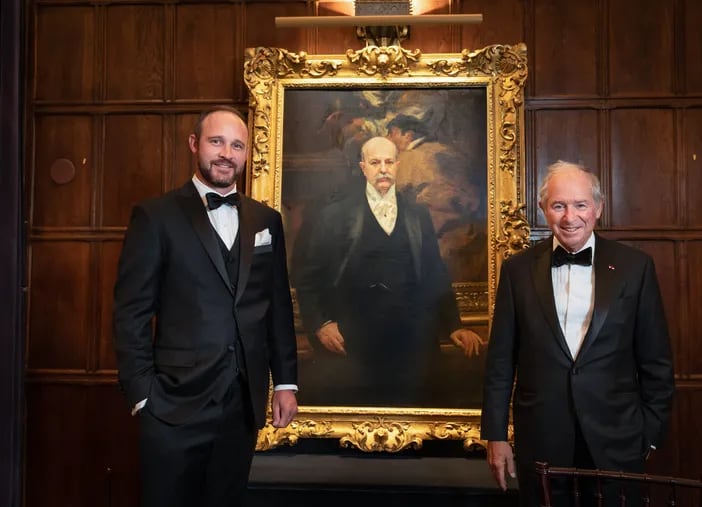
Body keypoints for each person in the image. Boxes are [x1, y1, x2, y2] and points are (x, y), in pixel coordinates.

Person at [112, 106, 299, 507]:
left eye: (237, 145)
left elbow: (277, 306)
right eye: (217, 141)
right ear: (195, 144)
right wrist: (143, 393)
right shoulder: (156, 216)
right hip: (172, 403)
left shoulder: (267, 220)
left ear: (247, 154)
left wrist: (285, 382)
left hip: (241, 404)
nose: (226, 153)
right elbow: (131, 311)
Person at [480, 161, 675, 507]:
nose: (570, 217)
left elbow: (656, 360)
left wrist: (649, 434)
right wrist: (496, 436)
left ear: (598, 208)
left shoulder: (635, 267)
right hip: (540, 440)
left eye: (580, 205)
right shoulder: (517, 271)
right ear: (543, 209)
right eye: (559, 206)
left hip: (618, 439)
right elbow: (500, 362)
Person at [293, 136, 483, 407]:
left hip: (412, 340)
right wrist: (321, 324)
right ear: (363, 168)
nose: (382, 168)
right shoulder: (333, 216)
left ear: (398, 165)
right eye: (374, 162)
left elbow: (435, 274)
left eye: (389, 162)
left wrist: (453, 325)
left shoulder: (418, 215)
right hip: (353, 340)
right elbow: (308, 278)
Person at [386, 113, 486, 281]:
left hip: (438, 238)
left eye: (391, 133)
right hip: (469, 232)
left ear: (408, 135)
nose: (387, 138)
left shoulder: (410, 158)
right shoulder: (445, 149)